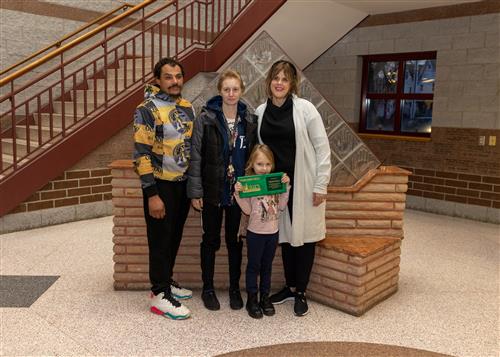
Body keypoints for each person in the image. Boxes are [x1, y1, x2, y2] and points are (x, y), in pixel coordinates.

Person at [255, 60, 331, 317]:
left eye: (285, 79)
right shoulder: (260, 111)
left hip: (305, 183)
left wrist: (321, 184)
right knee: (286, 237)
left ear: (292, 84)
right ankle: (289, 287)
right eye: (276, 78)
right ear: (269, 82)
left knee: (305, 238)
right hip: (276, 187)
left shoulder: (305, 109)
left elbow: (322, 148)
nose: (279, 83)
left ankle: (301, 292)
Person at [187, 69, 257, 311]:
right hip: (212, 190)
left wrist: (252, 189)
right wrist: (195, 192)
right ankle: (208, 288)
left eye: (235, 89)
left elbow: (255, 156)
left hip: (238, 193)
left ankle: (235, 289)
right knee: (210, 240)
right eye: (226, 89)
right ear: (220, 91)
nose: (230, 93)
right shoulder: (205, 118)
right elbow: (195, 156)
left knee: (235, 241)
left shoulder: (249, 119)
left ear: (241, 91)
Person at [133, 57, 194, 320]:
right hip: (159, 185)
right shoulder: (146, 109)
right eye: (168, 77)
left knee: (174, 237)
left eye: (178, 76)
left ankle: (166, 281)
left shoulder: (187, 107)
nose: (174, 81)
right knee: (159, 241)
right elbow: (141, 153)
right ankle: (159, 294)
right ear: (157, 79)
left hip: (181, 185)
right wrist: (151, 194)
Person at [234, 144, 290, 319]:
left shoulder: (274, 183)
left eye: (267, 164)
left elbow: (281, 206)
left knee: (267, 267)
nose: (264, 168)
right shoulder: (251, 185)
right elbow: (248, 211)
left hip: (272, 233)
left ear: (272, 165)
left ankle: (265, 298)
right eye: (259, 164)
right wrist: (237, 194)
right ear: (252, 164)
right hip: (255, 233)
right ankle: (252, 299)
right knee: (253, 266)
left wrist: (286, 188)